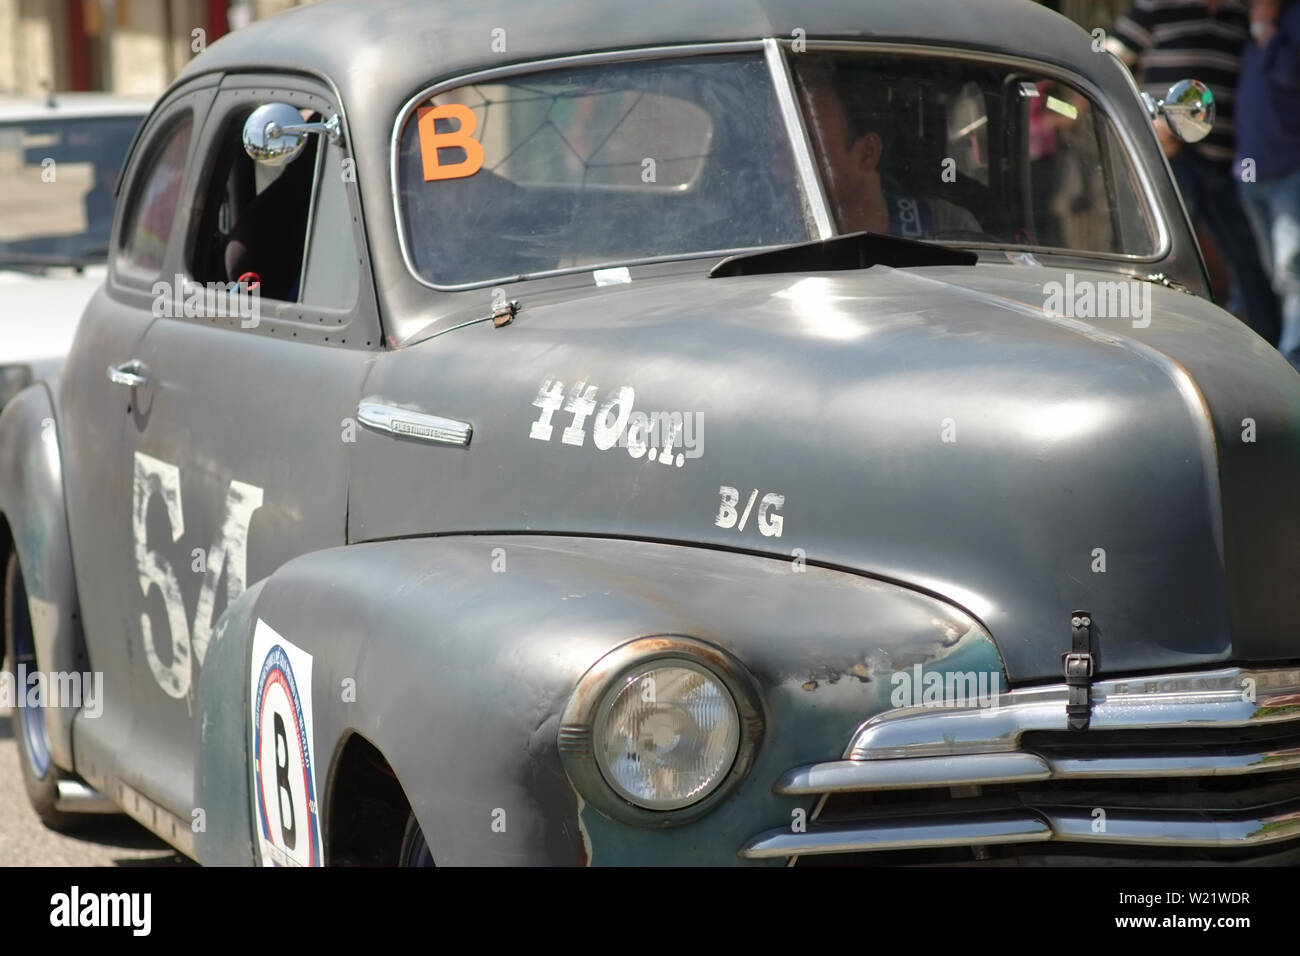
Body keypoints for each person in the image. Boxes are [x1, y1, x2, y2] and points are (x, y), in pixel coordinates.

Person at [1108, 0, 1281, 346]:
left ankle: (1267, 354)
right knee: (1161, 255)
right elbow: (1112, 57)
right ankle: (1147, 343)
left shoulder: (1243, 10)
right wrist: (1147, 121)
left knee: (1249, 265)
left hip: (1230, 161)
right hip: (1170, 155)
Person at [798, 63, 983, 240]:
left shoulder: (949, 226)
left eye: (809, 144)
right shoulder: (775, 238)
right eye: (776, 145)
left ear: (867, 153)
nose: (778, 164)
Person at [1236, 0, 1300, 371]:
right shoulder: (1247, 18)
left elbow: (1290, 75)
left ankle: (1292, 366)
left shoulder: (1283, 19)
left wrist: (1264, 27)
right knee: (1271, 275)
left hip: (1289, 170)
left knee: (1291, 272)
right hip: (1248, 170)